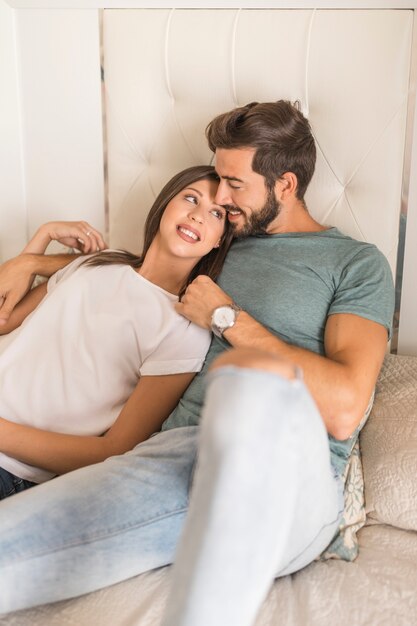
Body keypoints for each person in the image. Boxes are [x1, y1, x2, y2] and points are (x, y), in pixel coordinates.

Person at [0, 101, 394, 626]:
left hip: (291, 456)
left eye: (233, 185)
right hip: (175, 457)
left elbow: (345, 408)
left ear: (285, 185)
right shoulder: (218, 243)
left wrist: (227, 319)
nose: (221, 198)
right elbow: (131, 275)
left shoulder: (354, 263)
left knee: (250, 384)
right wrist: (33, 259)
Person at [0, 165, 232, 499]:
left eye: (216, 214)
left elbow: (115, 449)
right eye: (190, 199)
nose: (198, 216)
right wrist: (42, 238)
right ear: (166, 204)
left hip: (12, 467)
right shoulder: (101, 262)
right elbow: (5, 320)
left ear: (219, 240)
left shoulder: (184, 328)